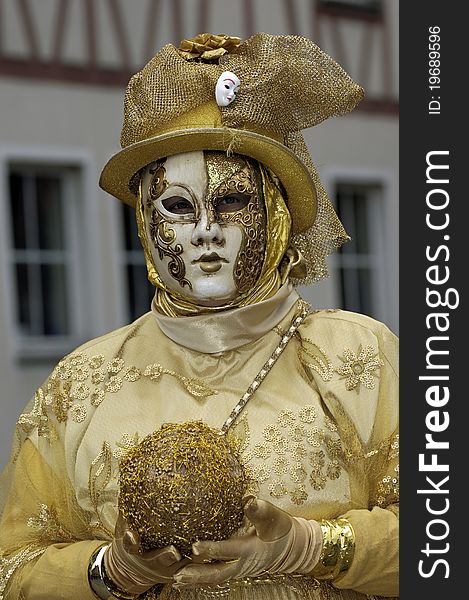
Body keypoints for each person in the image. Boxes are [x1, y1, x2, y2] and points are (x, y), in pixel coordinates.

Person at [0, 33, 398, 600]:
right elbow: (10, 569)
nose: (205, 229)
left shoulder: (357, 356)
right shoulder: (81, 383)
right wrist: (108, 572)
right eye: (178, 207)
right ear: (144, 221)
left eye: (232, 202)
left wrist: (318, 547)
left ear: (276, 211)